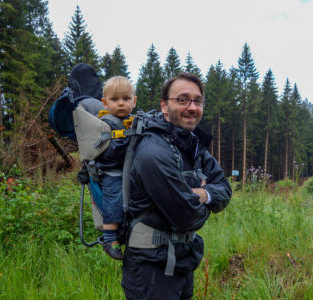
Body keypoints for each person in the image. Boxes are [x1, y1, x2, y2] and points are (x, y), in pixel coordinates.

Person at [121, 73, 232, 299]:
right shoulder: (153, 151)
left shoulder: (193, 145)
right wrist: (199, 199)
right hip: (151, 269)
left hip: (182, 260)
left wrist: (200, 194)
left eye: (197, 101)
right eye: (182, 100)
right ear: (164, 105)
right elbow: (187, 216)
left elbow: (225, 189)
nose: (192, 107)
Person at [96, 76, 137, 260]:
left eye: (126, 99)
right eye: (114, 99)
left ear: (134, 101)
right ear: (104, 103)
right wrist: (124, 138)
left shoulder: (133, 120)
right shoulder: (106, 123)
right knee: (113, 202)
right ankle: (109, 239)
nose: (121, 103)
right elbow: (107, 152)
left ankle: (127, 232)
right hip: (112, 172)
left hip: (131, 172)